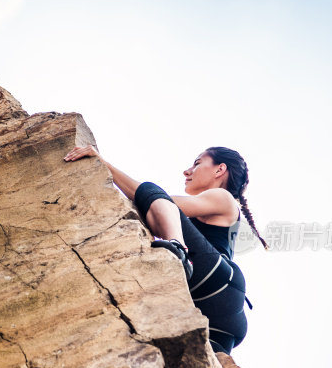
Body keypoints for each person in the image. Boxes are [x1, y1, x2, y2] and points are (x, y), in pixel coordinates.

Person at [63, 145, 268, 354]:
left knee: (154, 194)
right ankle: (179, 251)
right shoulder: (211, 209)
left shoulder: (222, 197)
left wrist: (103, 164)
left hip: (215, 279)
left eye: (197, 163)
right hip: (222, 317)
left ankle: (179, 250)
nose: (187, 171)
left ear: (219, 170)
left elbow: (153, 198)